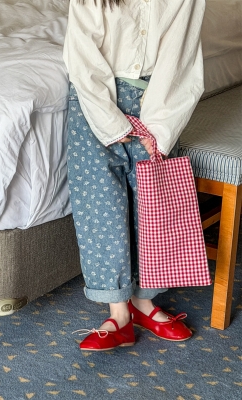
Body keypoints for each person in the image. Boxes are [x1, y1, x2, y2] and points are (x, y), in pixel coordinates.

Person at [63, 0, 206, 351]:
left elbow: (181, 56)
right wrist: (110, 123)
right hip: (93, 103)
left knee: (151, 205)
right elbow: (82, 54)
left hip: (153, 102)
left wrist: (159, 127)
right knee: (100, 209)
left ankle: (143, 302)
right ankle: (119, 313)